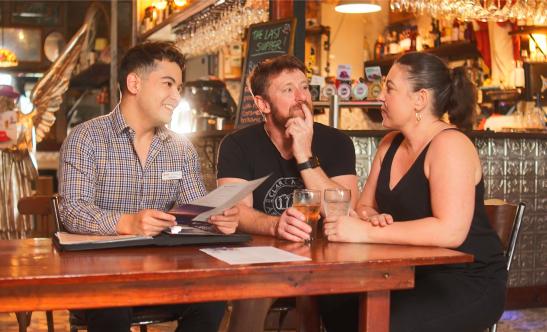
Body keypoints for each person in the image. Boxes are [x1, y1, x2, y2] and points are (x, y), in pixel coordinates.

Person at [58, 41, 239, 332]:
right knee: (111, 303)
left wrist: (217, 220)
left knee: (213, 296)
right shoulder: (86, 138)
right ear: (134, 83)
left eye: (179, 87)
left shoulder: (181, 148)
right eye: (168, 84)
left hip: (163, 276)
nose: (176, 97)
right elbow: (73, 212)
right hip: (102, 279)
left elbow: (197, 213)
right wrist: (127, 222)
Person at [320, 52, 507, 332]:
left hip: (464, 279)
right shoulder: (389, 144)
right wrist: (374, 218)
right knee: (334, 306)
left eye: (390, 88)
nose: (380, 96)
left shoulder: (450, 146)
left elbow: (450, 232)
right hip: (410, 272)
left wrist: (368, 232)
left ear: (420, 99)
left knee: (385, 324)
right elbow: (364, 208)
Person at [216, 55, 359, 331]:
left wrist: (304, 154)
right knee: (253, 294)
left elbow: (345, 210)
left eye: (304, 87)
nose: (301, 97)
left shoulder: (337, 142)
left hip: (328, 261)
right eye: (288, 90)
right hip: (264, 262)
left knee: (351, 297)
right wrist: (275, 225)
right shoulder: (237, 145)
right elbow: (236, 211)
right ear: (263, 104)